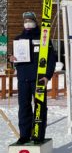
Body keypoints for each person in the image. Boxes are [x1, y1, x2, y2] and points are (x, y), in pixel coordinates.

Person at [9, 12, 56, 144]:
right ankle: (24, 135)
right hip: (23, 79)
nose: (27, 22)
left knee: (39, 107)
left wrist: (47, 76)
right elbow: (14, 59)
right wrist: (11, 59)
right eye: (25, 20)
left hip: (38, 79)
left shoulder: (43, 38)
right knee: (23, 107)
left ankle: (38, 135)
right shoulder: (18, 39)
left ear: (35, 21)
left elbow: (51, 59)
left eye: (30, 20)